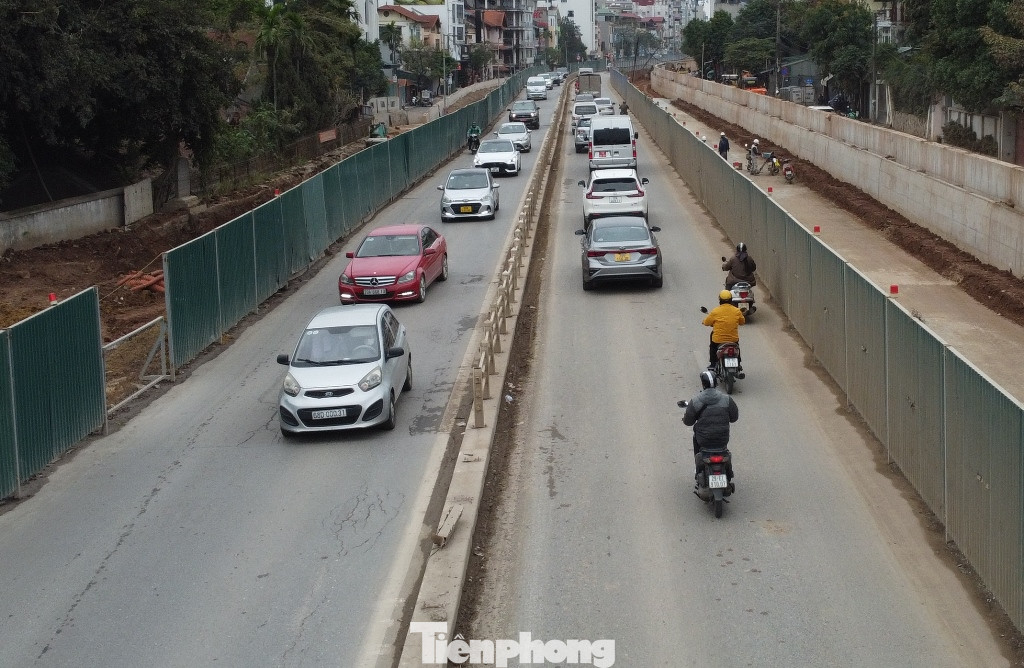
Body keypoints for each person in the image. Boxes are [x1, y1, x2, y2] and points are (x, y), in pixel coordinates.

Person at [682, 371, 739, 481]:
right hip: (722, 440)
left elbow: (688, 422)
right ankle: (728, 470)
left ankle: (697, 467)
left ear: (703, 384)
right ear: (716, 383)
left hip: (704, 441)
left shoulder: (696, 401)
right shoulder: (727, 399)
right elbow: (734, 418)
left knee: (695, 434)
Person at [703, 289, 745, 370]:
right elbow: (742, 322)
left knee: (713, 346)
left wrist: (703, 321)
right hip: (733, 339)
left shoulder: (715, 311)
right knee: (737, 346)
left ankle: (713, 363)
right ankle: (738, 363)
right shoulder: (737, 311)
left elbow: (707, 322)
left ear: (720, 300)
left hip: (718, 340)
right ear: (731, 299)